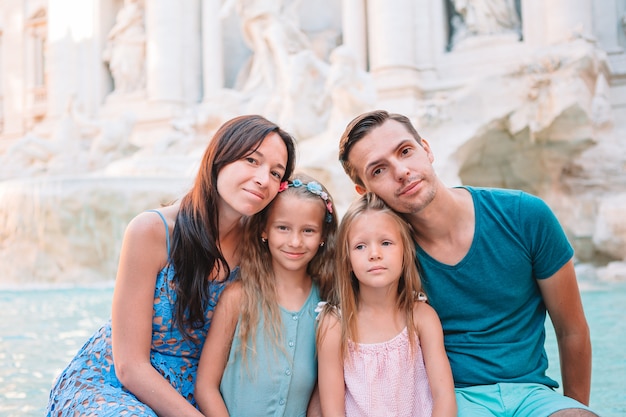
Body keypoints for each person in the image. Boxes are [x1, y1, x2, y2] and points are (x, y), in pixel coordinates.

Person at [338, 109, 598, 416]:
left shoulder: (525, 216)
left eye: (405, 151)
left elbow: (572, 330)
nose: (401, 171)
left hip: (533, 395)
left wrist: (574, 407)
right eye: (378, 170)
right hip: (454, 400)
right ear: (364, 191)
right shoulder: (385, 258)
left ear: (427, 148)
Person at [45, 115, 297, 416]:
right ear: (219, 158)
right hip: (114, 386)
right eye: (252, 160)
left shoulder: (262, 247)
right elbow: (130, 366)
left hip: (198, 391)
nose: (262, 179)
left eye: (275, 173)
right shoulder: (151, 231)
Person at [195, 173, 338, 416]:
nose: (295, 241)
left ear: (323, 236)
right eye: (283, 228)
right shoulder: (239, 297)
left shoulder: (326, 306)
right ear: (264, 230)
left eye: (308, 231)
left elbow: (319, 391)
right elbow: (205, 387)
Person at [316, 193, 457, 417]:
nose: (374, 254)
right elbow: (332, 410)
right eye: (360, 246)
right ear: (347, 260)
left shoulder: (421, 317)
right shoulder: (334, 323)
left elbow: (444, 398)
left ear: (405, 251)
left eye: (386, 243)